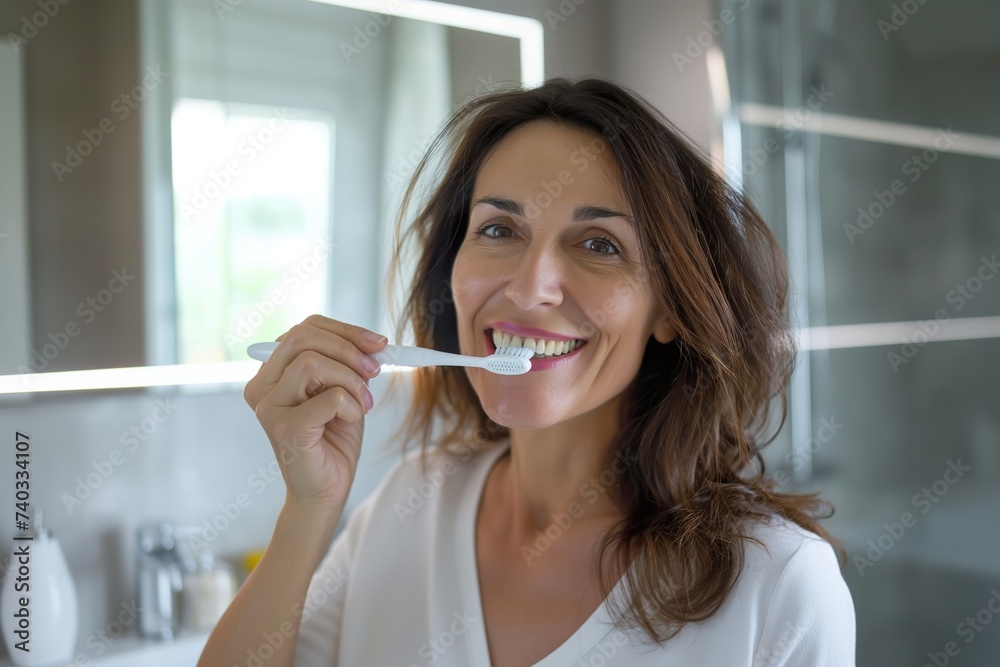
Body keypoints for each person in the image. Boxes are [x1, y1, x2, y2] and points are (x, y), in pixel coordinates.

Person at [198, 77, 856, 667]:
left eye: (599, 244)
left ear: (669, 310)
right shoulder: (409, 503)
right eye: (498, 230)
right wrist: (307, 510)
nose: (531, 285)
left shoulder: (780, 585)